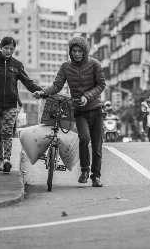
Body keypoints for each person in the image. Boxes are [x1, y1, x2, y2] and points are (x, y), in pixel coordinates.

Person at [34, 36, 106, 187]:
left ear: (85, 51)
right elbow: (57, 86)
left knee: (97, 145)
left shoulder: (95, 65)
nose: (77, 54)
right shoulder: (66, 67)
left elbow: (101, 85)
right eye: (74, 51)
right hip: (79, 111)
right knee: (84, 139)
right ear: (70, 51)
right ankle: (85, 170)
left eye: (80, 51)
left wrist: (87, 96)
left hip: (95, 109)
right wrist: (43, 93)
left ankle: (96, 176)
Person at [0, 37, 42, 174]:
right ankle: (0, 160)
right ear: (0, 48)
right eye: (6, 48)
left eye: (12, 49)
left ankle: (7, 159)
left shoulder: (17, 65)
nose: (9, 51)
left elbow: (27, 81)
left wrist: (39, 90)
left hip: (11, 105)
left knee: (7, 132)